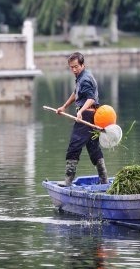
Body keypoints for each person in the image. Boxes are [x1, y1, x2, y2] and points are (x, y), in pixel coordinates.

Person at [56, 52, 108, 187]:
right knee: (93, 148)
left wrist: (81, 112)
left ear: (82, 65)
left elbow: (91, 98)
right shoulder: (81, 76)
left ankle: (68, 180)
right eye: (71, 67)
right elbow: (76, 93)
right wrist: (64, 106)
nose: (74, 70)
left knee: (74, 146)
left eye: (76, 67)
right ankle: (104, 180)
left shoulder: (85, 79)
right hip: (92, 116)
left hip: (87, 115)